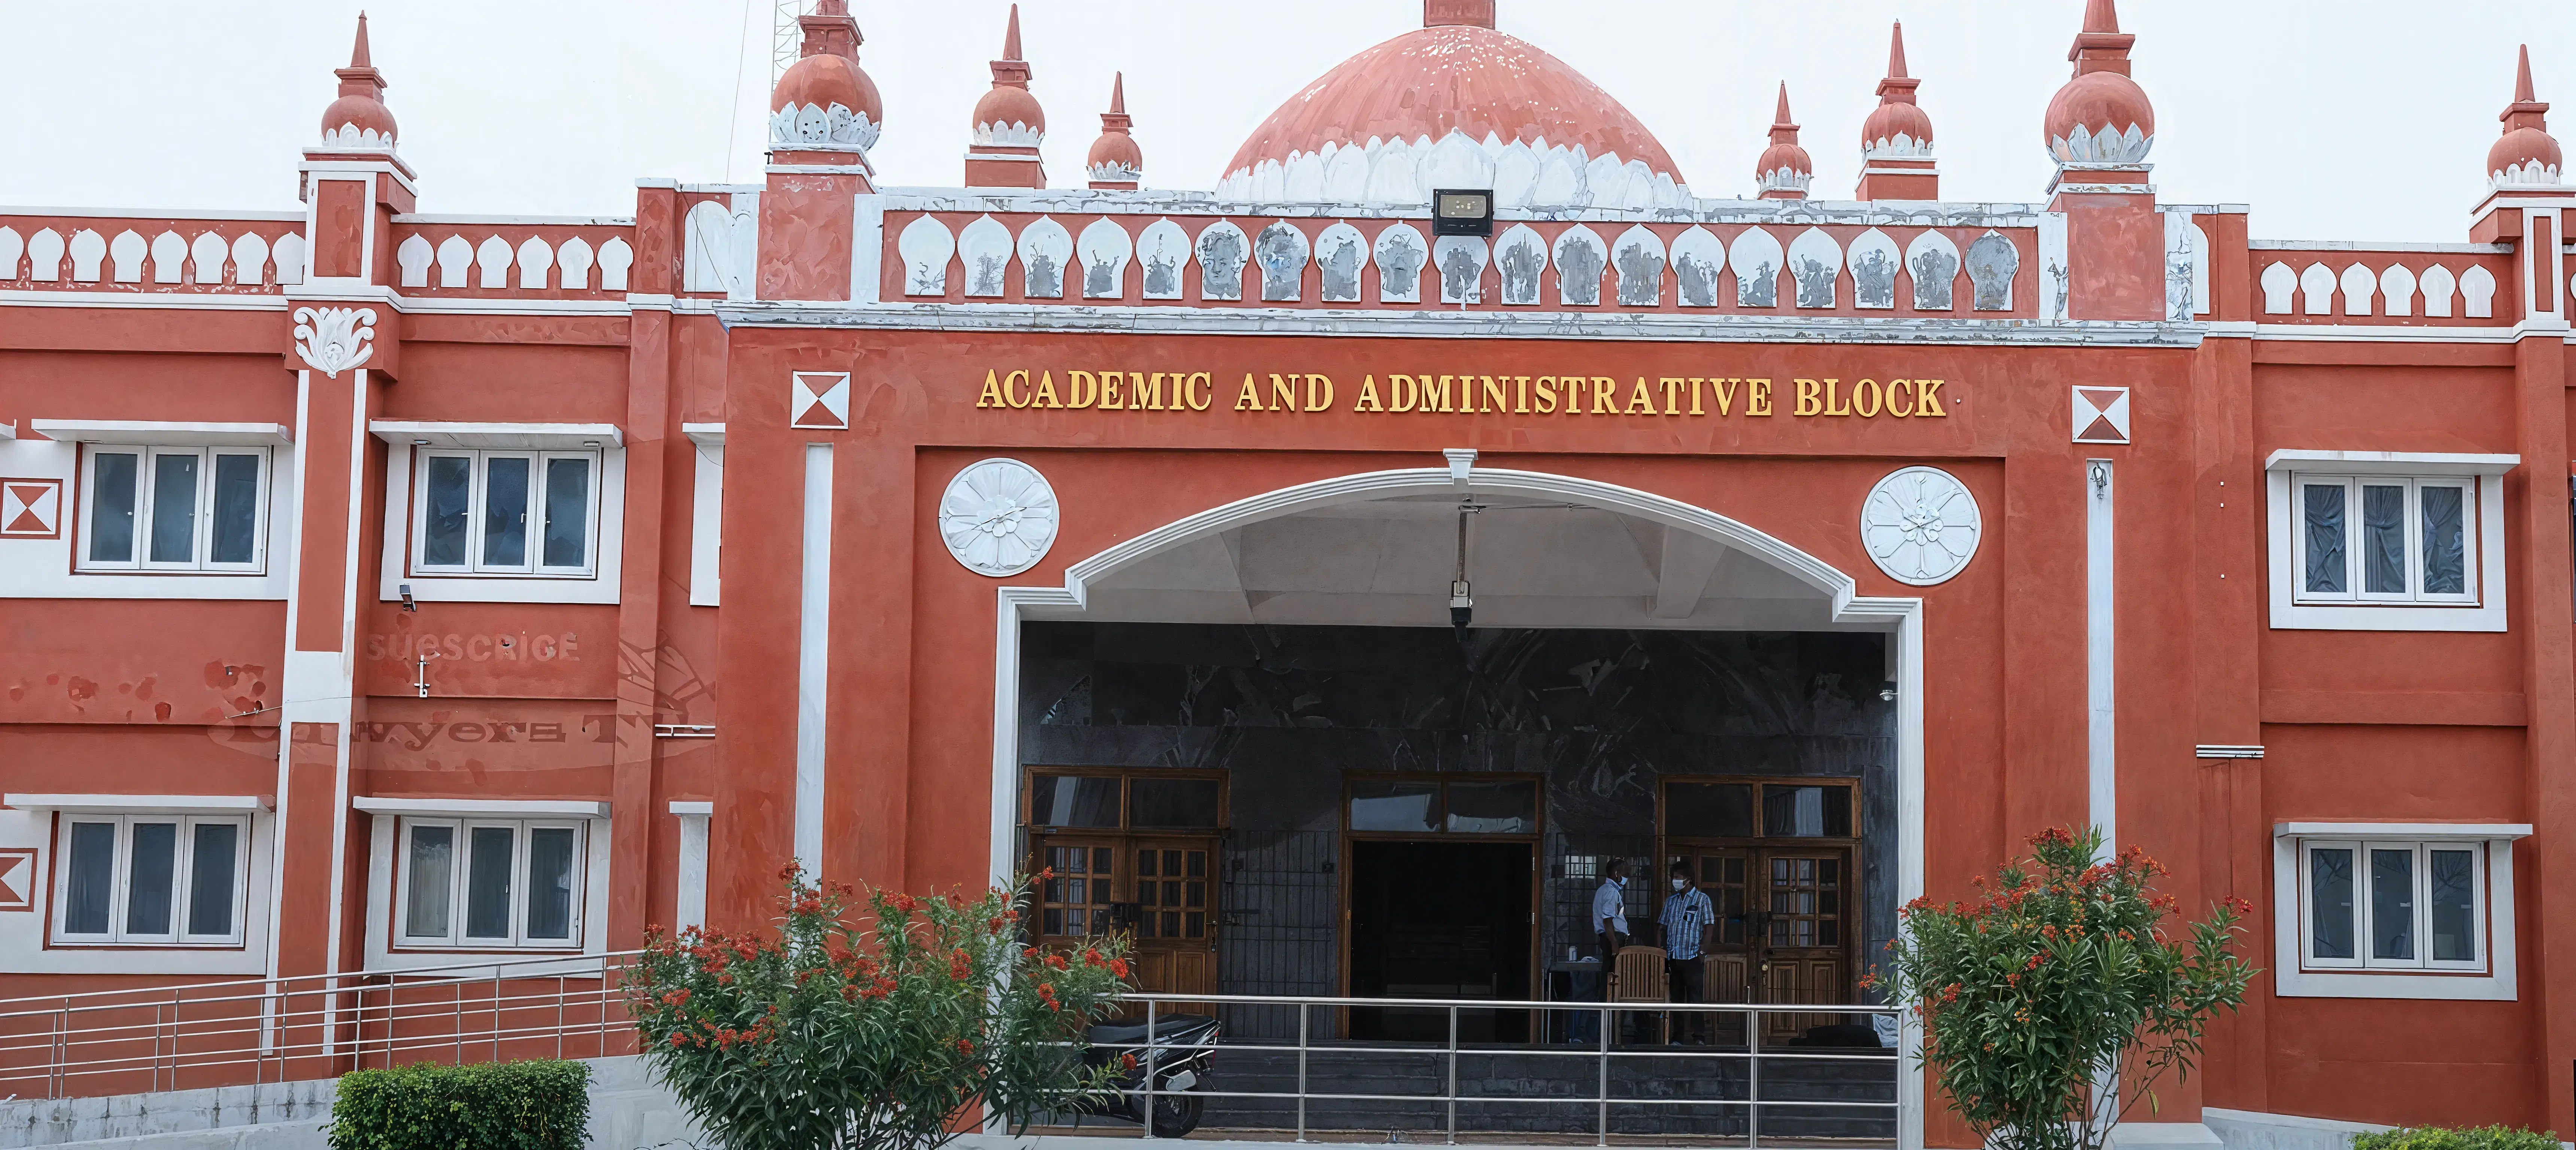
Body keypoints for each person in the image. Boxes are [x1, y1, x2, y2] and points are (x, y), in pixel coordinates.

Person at [1658, 861, 1716, 1044]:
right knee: (1676, 1000)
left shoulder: (1702, 900)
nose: (1674, 881)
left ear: (1688, 879)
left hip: (1692, 957)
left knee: (1695, 999)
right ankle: (1678, 1038)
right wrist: (1661, 952)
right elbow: (1661, 927)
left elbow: (1709, 929)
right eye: (1673, 878)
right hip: (1673, 958)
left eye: (1677, 878)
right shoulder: (1671, 901)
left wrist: (1702, 953)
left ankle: (1699, 1038)